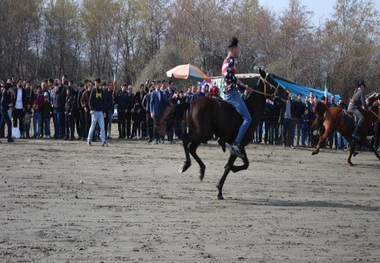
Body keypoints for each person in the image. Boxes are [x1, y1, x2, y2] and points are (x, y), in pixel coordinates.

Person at [222, 37, 251, 158]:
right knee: (248, 118)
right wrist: (239, 84)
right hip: (231, 94)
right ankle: (236, 144)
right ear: (233, 49)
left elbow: (231, 78)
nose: (239, 50)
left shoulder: (227, 60)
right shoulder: (231, 60)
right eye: (238, 48)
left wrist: (243, 87)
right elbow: (228, 76)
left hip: (231, 92)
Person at [87, 78, 107, 147]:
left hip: (100, 111)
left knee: (102, 127)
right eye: (95, 83)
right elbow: (90, 101)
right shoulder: (93, 91)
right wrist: (91, 109)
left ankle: (103, 141)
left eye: (97, 83)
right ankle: (89, 140)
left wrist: (104, 111)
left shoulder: (101, 91)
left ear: (99, 83)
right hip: (95, 111)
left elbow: (103, 101)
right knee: (92, 126)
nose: (96, 84)